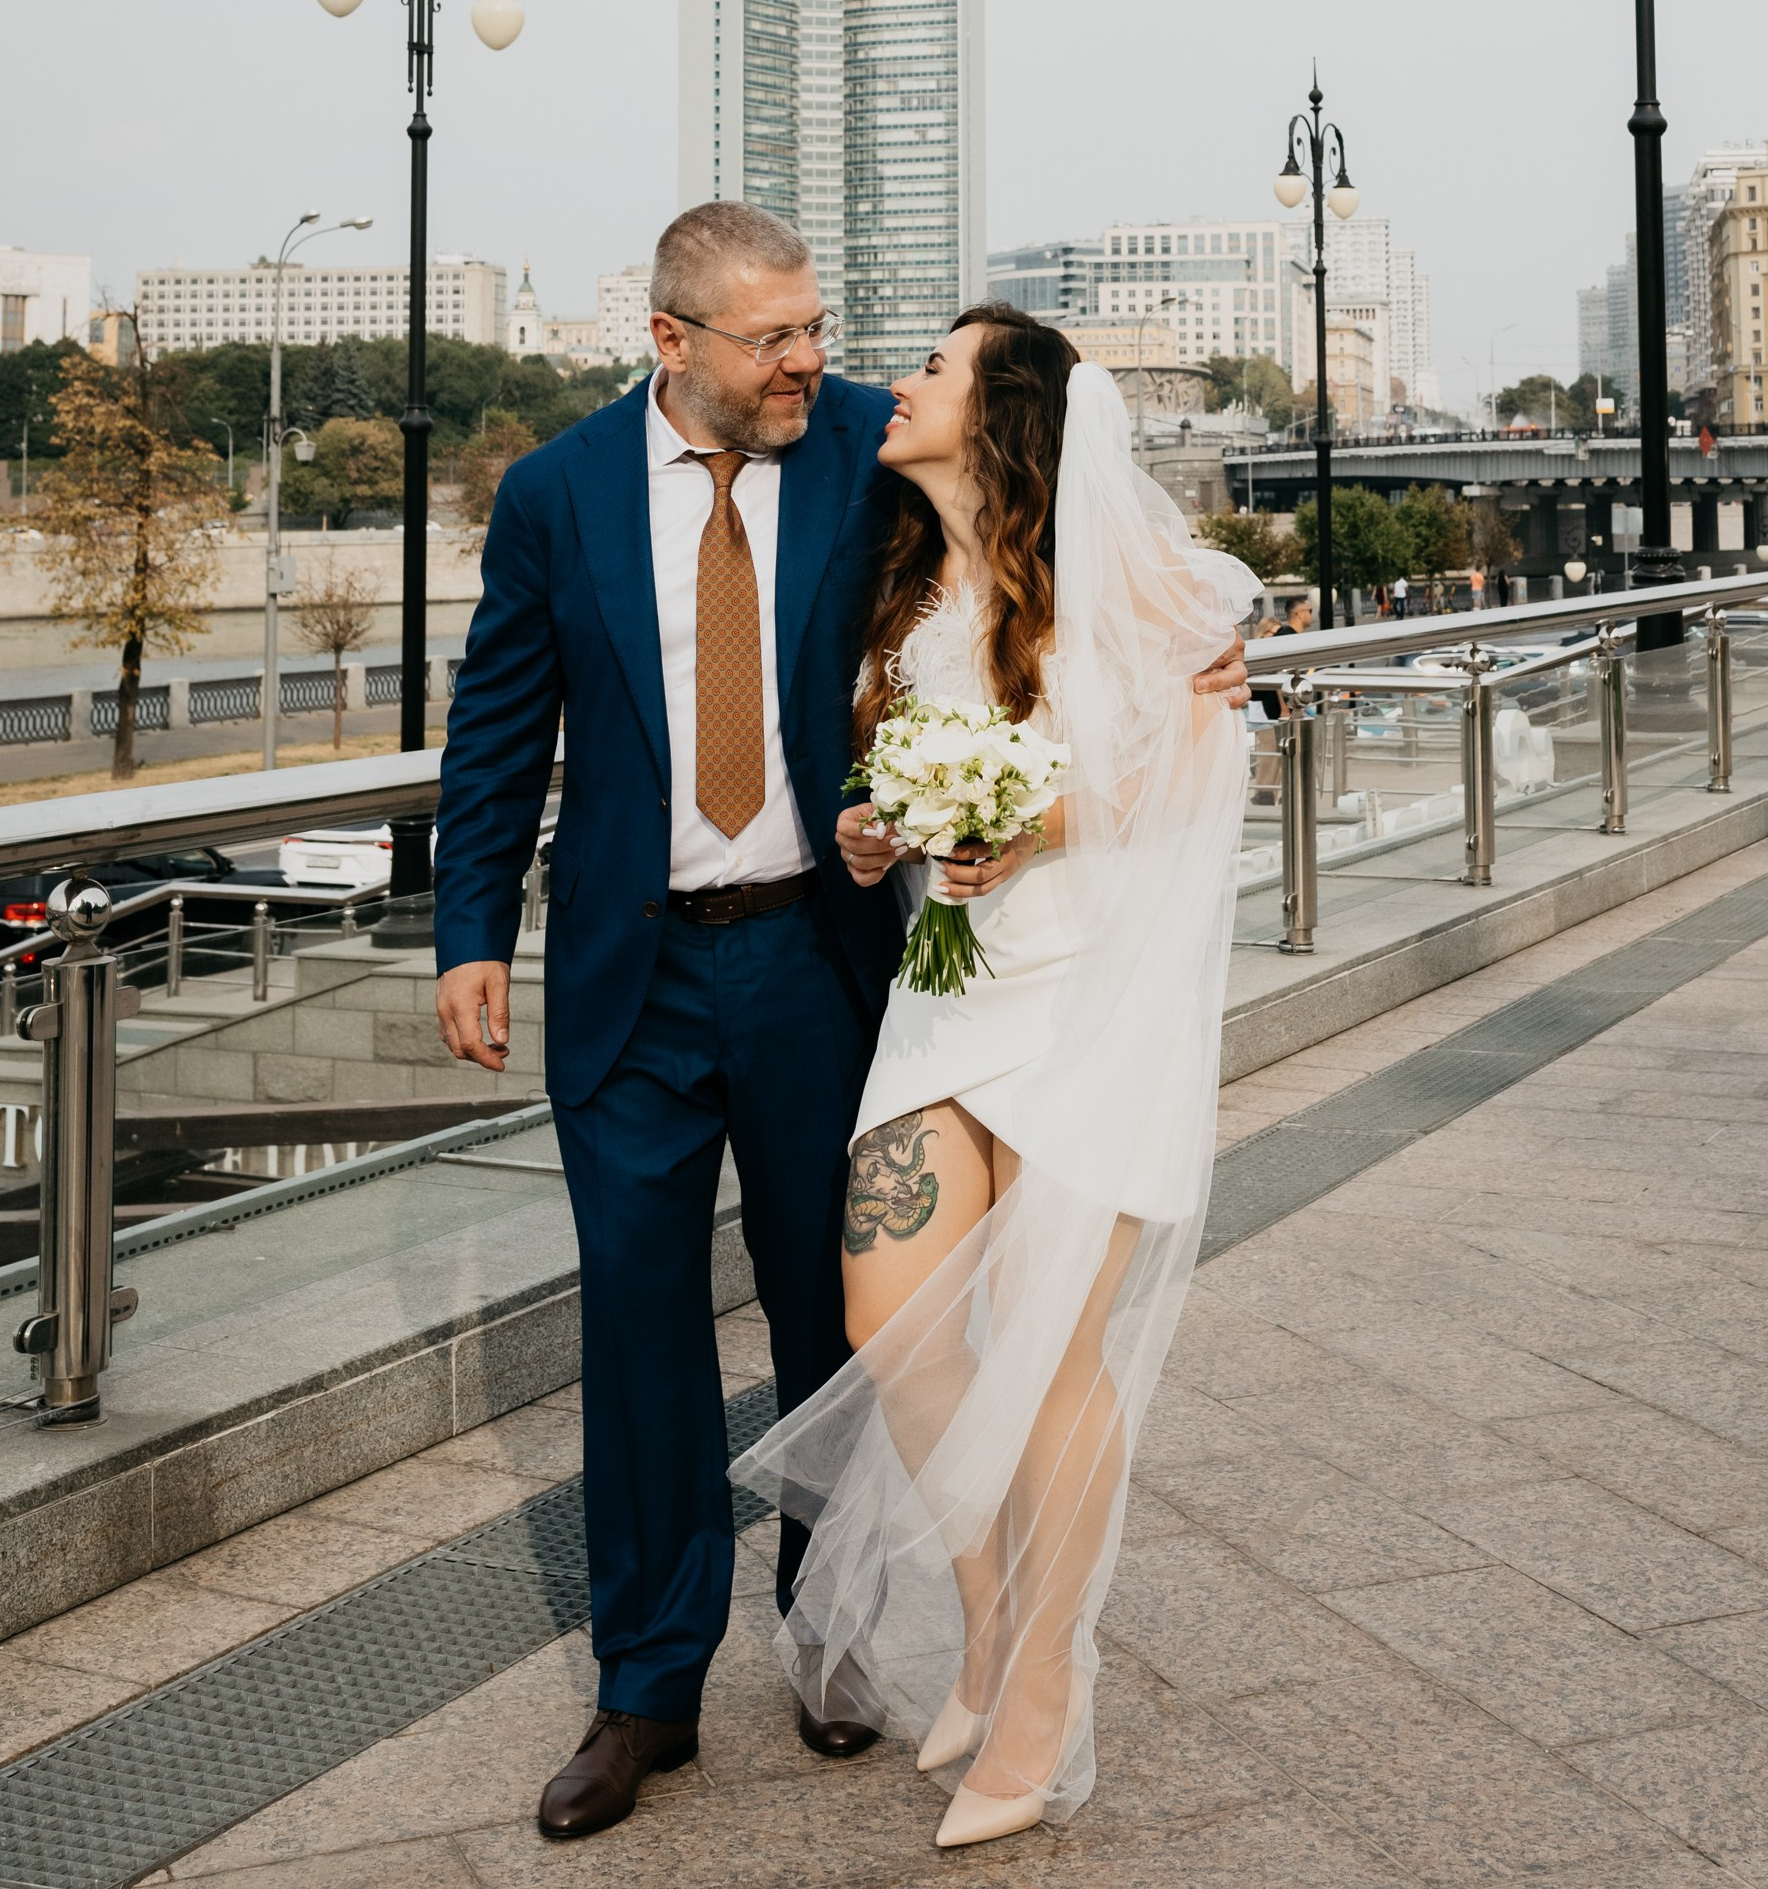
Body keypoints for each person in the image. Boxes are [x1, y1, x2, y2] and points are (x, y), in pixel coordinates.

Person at [430, 217, 1249, 1844]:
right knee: (639, 1327)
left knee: (851, 1313)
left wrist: (1210, 664)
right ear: (672, 341)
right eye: (773, 339)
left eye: (819, 330)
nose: (814, 361)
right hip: (631, 976)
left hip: (825, 963)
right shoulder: (553, 495)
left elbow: (1051, 531)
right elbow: (498, 728)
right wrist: (468, 938)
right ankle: (644, 1691)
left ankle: (835, 1639)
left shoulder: (867, 449)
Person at [734, 307, 1257, 1849]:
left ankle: (1039, 1695)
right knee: (888, 1324)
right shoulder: (905, 595)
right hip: (946, 1002)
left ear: (1005, 406)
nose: (901, 384)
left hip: (1092, 1000)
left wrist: (1039, 829)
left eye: (936, 369)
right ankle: (983, 1620)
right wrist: (870, 831)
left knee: (1053, 1362)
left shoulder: (1148, 585)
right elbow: (876, 787)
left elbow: (1210, 761)